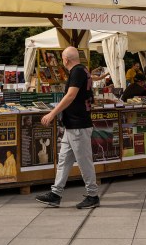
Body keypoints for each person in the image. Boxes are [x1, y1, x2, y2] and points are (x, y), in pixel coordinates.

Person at [36, 46, 99, 209]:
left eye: (63, 59)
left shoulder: (77, 72)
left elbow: (71, 95)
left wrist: (52, 113)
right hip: (73, 125)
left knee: (84, 162)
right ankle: (55, 194)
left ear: (66, 60)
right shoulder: (83, 70)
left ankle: (93, 195)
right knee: (64, 159)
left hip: (78, 124)